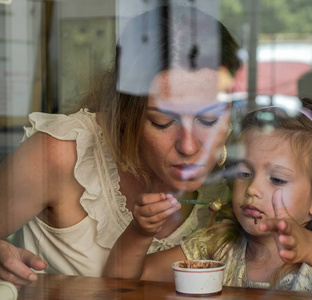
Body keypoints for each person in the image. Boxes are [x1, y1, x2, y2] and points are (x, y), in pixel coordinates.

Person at [0, 3, 241, 287]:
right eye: (162, 121)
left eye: (210, 120)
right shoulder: (60, 153)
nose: (189, 147)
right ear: (127, 110)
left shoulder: (241, 177)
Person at [103, 98, 312, 298]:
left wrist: (310, 248)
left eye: (277, 179)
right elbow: (124, 280)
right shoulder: (217, 246)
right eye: (244, 173)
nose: (253, 189)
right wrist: (140, 232)